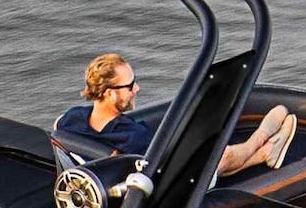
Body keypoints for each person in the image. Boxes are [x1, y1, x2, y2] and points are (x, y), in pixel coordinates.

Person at [60, 52, 293, 185]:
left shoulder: (71, 120)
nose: (137, 89)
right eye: (130, 86)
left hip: (96, 185)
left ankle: (265, 155)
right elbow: (164, 165)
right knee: (220, 156)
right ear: (110, 93)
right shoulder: (133, 138)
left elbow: (57, 129)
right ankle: (260, 140)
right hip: (164, 185)